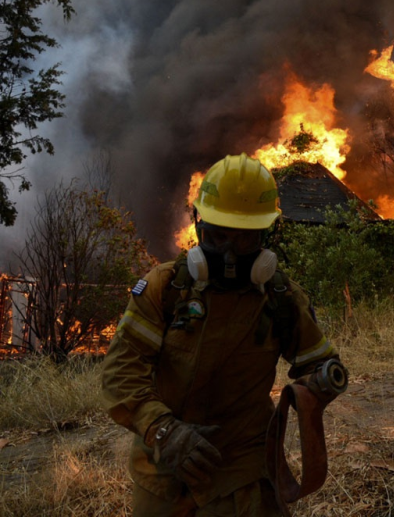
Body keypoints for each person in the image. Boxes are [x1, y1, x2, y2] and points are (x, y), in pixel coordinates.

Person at [101, 153, 345, 517]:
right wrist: (163, 430)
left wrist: (323, 380)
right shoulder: (164, 289)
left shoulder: (281, 299)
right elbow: (121, 374)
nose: (230, 254)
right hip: (164, 476)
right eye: (218, 236)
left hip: (243, 477)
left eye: (245, 240)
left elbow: (318, 362)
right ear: (199, 228)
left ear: (266, 235)